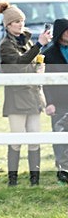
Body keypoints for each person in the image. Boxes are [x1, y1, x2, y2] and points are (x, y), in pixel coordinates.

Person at [0, 1, 51, 186]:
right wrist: (39, 45)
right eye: (16, 21)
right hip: (17, 98)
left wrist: (39, 65)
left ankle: (34, 180)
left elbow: (29, 63)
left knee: (35, 138)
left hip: (34, 96)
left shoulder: (26, 41)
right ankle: (13, 180)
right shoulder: (5, 45)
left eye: (22, 20)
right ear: (8, 25)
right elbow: (18, 64)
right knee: (16, 139)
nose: (20, 24)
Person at [43, 18, 68, 183]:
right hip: (58, 102)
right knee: (59, 135)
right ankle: (62, 171)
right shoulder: (49, 54)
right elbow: (45, 82)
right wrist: (49, 102)